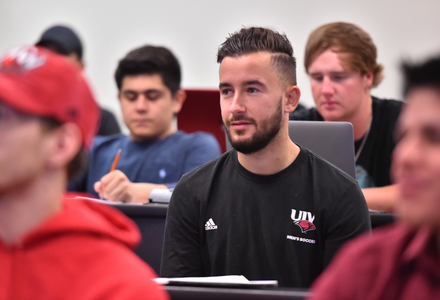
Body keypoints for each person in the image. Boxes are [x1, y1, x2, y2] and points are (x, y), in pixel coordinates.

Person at [161, 27, 371, 288]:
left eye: (252, 89)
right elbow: (182, 295)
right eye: (227, 91)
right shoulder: (192, 192)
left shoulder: (340, 196)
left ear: (290, 99)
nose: (235, 106)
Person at [0, 45, 168, 299]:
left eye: (3, 116)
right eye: (130, 96)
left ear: (61, 144)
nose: (140, 107)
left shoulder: (122, 289)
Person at [307, 54, 440, 300]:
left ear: (368, 77)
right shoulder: (369, 264)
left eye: (434, 138)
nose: (405, 156)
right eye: (404, 137)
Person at [69, 45, 221, 203]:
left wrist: (134, 193)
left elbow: (198, 193)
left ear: (177, 100)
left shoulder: (196, 146)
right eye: (131, 97)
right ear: (120, 99)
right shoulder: (94, 150)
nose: (140, 107)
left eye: (152, 96)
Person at [290, 22, 403, 213]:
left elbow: (429, 191)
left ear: (368, 76)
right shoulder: (293, 128)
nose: (325, 90)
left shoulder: (402, 121)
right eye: (317, 78)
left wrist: (340, 197)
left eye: (339, 77)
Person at [36, 24, 121, 136]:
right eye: (45, 52)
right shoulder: (22, 113)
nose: (52, 61)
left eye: (61, 54)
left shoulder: (102, 120)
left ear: (80, 66)